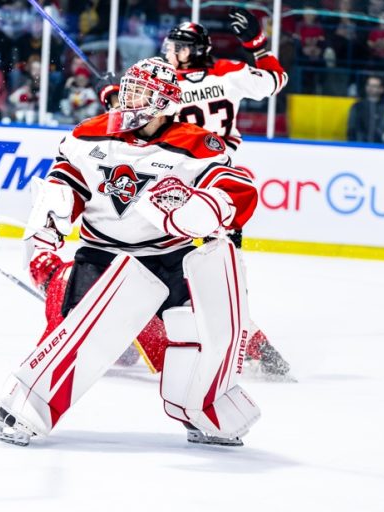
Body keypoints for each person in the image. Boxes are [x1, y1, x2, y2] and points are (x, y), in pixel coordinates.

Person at [0, 57, 261, 447]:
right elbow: (63, 186)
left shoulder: (197, 143)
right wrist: (47, 229)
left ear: (164, 102)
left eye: (140, 94)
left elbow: (236, 186)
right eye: (128, 91)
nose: (128, 102)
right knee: (73, 337)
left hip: (169, 258)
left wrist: (206, 209)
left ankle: (206, 411)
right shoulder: (88, 134)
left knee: (199, 335)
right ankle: (24, 409)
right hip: (101, 256)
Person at [94, 9, 290, 378]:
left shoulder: (165, 84)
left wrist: (111, 94)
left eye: (178, 47)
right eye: (171, 45)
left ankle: (162, 334)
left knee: (162, 262)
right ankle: (245, 341)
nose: (171, 52)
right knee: (208, 269)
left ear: (194, 50)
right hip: (215, 184)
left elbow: (133, 118)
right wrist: (258, 45)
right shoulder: (229, 72)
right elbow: (275, 80)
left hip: (182, 183)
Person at [347, 75, 384, 143]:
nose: (370, 88)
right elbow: (352, 129)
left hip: (379, 147)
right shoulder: (357, 106)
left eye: (374, 86)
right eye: (368, 85)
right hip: (359, 146)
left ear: (381, 89)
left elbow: (383, 130)